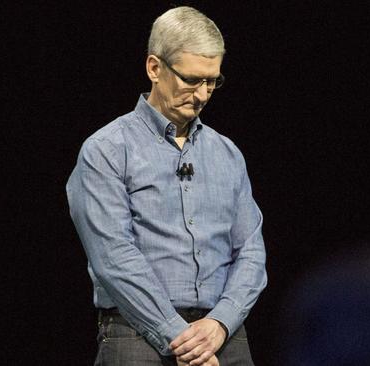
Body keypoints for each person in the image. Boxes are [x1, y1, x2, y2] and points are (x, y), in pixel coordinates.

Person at [66, 6, 267, 366]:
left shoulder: (228, 154)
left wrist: (221, 322)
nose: (203, 94)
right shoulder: (107, 150)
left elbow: (251, 251)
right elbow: (113, 258)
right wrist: (179, 336)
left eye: (212, 81)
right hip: (136, 334)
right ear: (154, 68)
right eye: (192, 80)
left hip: (224, 338)